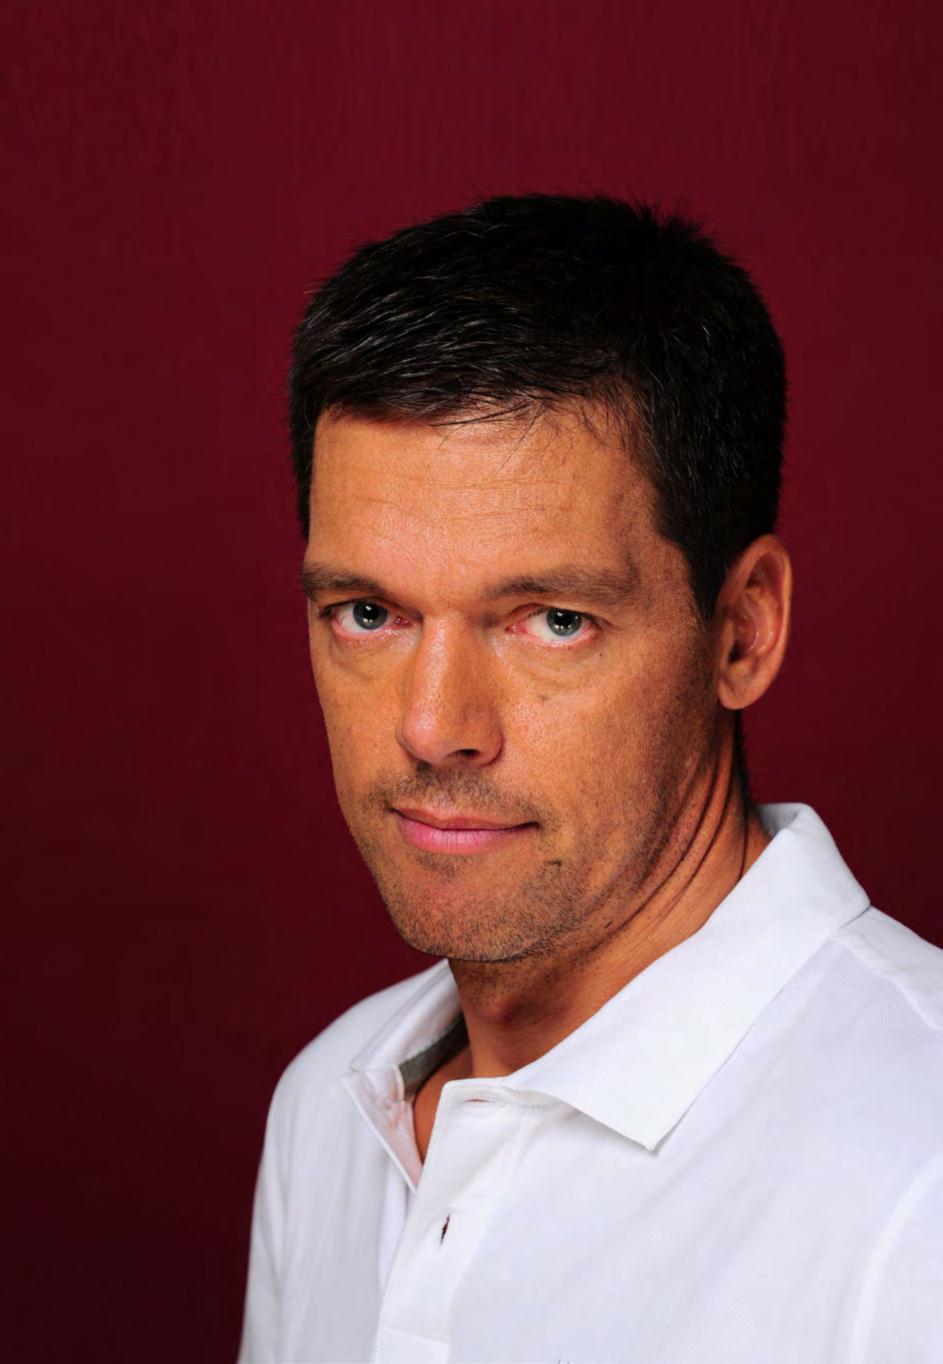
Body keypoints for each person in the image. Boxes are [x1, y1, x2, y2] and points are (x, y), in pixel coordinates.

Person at [238, 195, 942, 1364]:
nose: (432, 727)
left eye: (551, 619)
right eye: (368, 612)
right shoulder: (328, 1110)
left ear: (742, 630)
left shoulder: (918, 1190)